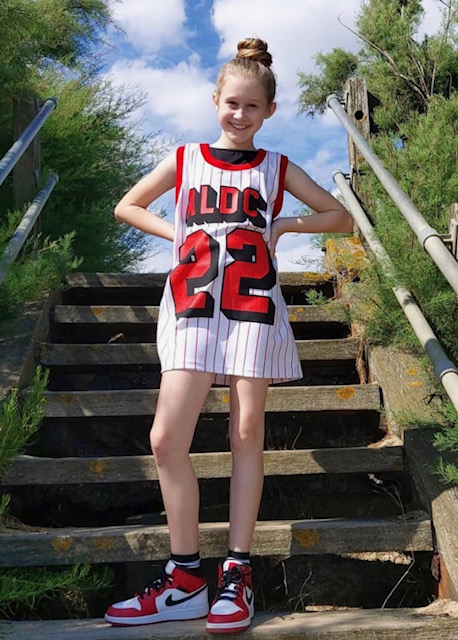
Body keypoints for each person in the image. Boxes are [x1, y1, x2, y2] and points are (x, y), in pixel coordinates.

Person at [104, 37, 353, 633]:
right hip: (191, 303)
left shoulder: (277, 167)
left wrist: (285, 224)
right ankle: (186, 577)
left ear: (268, 111)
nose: (239, 115)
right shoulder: (186, 157)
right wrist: (179, 235)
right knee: (167, 439)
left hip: (252, 306)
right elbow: (127, 205)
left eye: (251, 106)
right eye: (230, 103)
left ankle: (236, 572)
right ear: (215, 100)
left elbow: (340, 216)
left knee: (246, 431)